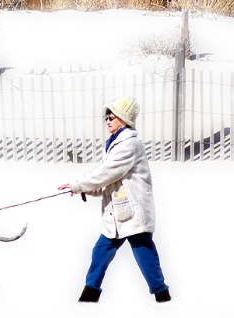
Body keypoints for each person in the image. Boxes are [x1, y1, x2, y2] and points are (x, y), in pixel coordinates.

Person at [58, 96, 171, 303]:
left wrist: (79, 184)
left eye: (112, 117)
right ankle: (90, 293)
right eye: (106, 117)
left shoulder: (129, 144)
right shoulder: (114, 143)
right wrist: (86, 190)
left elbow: (109, 172)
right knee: (100, 250)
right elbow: (111, 181)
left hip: (134, 211)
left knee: (144, 253)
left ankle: (161, 294)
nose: (108, 120)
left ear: (124, 120)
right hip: (119, 211)